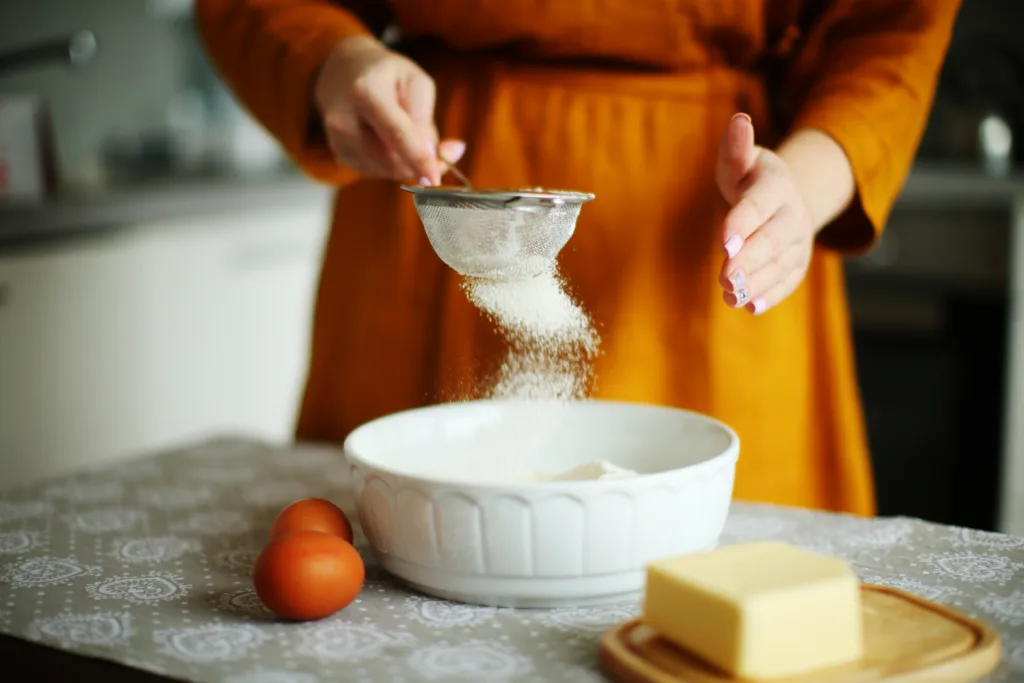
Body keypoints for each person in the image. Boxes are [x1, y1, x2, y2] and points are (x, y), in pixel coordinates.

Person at [196, 1, 961, 515]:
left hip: (714, 229)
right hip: (421, 190)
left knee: (711, 608)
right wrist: (337, 61)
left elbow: (891, 26)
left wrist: (808, 182)